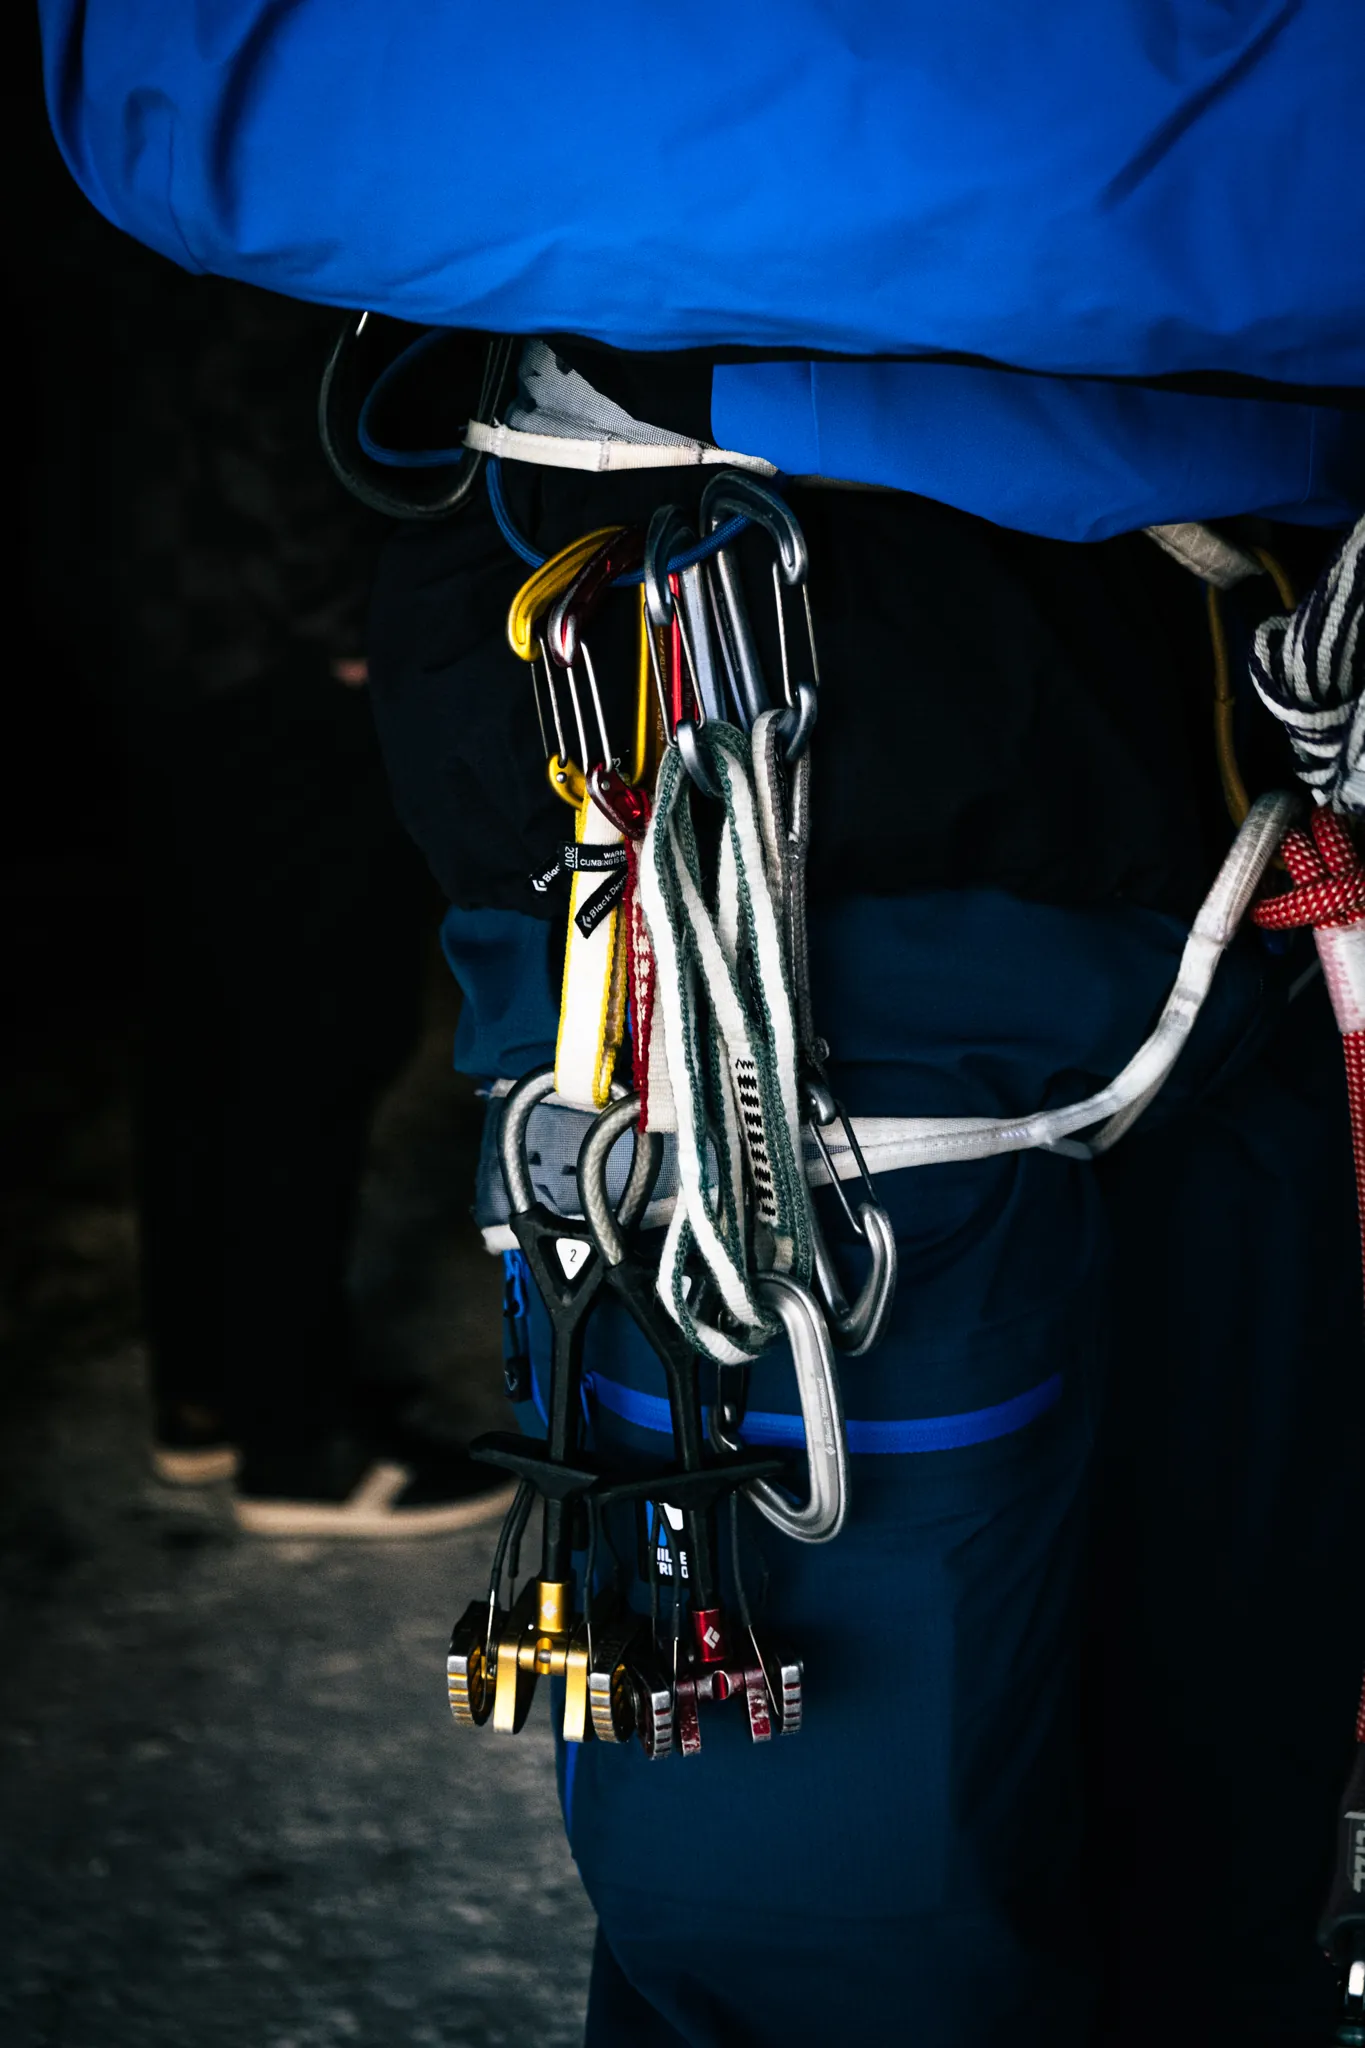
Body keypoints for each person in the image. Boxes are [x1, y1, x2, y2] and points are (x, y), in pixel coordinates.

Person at [37, 8, 1365, 2042]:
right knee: (848, 1926)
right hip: (784, 768)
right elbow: (203, 81)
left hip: (1246, 745)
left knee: (1229, 1817)